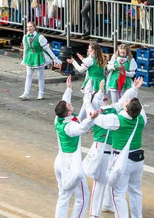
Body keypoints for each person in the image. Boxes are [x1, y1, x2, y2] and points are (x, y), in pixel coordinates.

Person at [85, 79, 142, 218]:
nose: (106, 98)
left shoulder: (111, 114)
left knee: (106, 184)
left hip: (110, 155)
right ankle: (102, 209)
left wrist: (89, 98)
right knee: (108, 184)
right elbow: (123, 101)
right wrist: (93, 95)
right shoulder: (108, 112)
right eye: (103, 97)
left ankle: (100, 210)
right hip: (110, 154)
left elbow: (122, 101)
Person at [54, 76, 98, 218]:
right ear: (69, 112)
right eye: (70, 105)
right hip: (71, 166)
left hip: (60, 163)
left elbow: (64, 103)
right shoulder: (70, 126)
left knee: (63, 196)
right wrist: (91, 119)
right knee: (82, 197)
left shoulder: (58, 119)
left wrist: (68, 89)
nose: (71, 104)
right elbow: (80, 129)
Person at [20, 22, 61, 100]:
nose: (29, 28)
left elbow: (47, 49)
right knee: (28, 75)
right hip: (30, 57)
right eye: (28, 27)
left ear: (34, 27)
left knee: (40, 76)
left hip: (39, 57)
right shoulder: (25, 37)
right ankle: (26, 93)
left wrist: (54, 58)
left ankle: (41, 93)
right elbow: (26, 49)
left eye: (31, 26)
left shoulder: (40, 37)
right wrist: (24, 58)